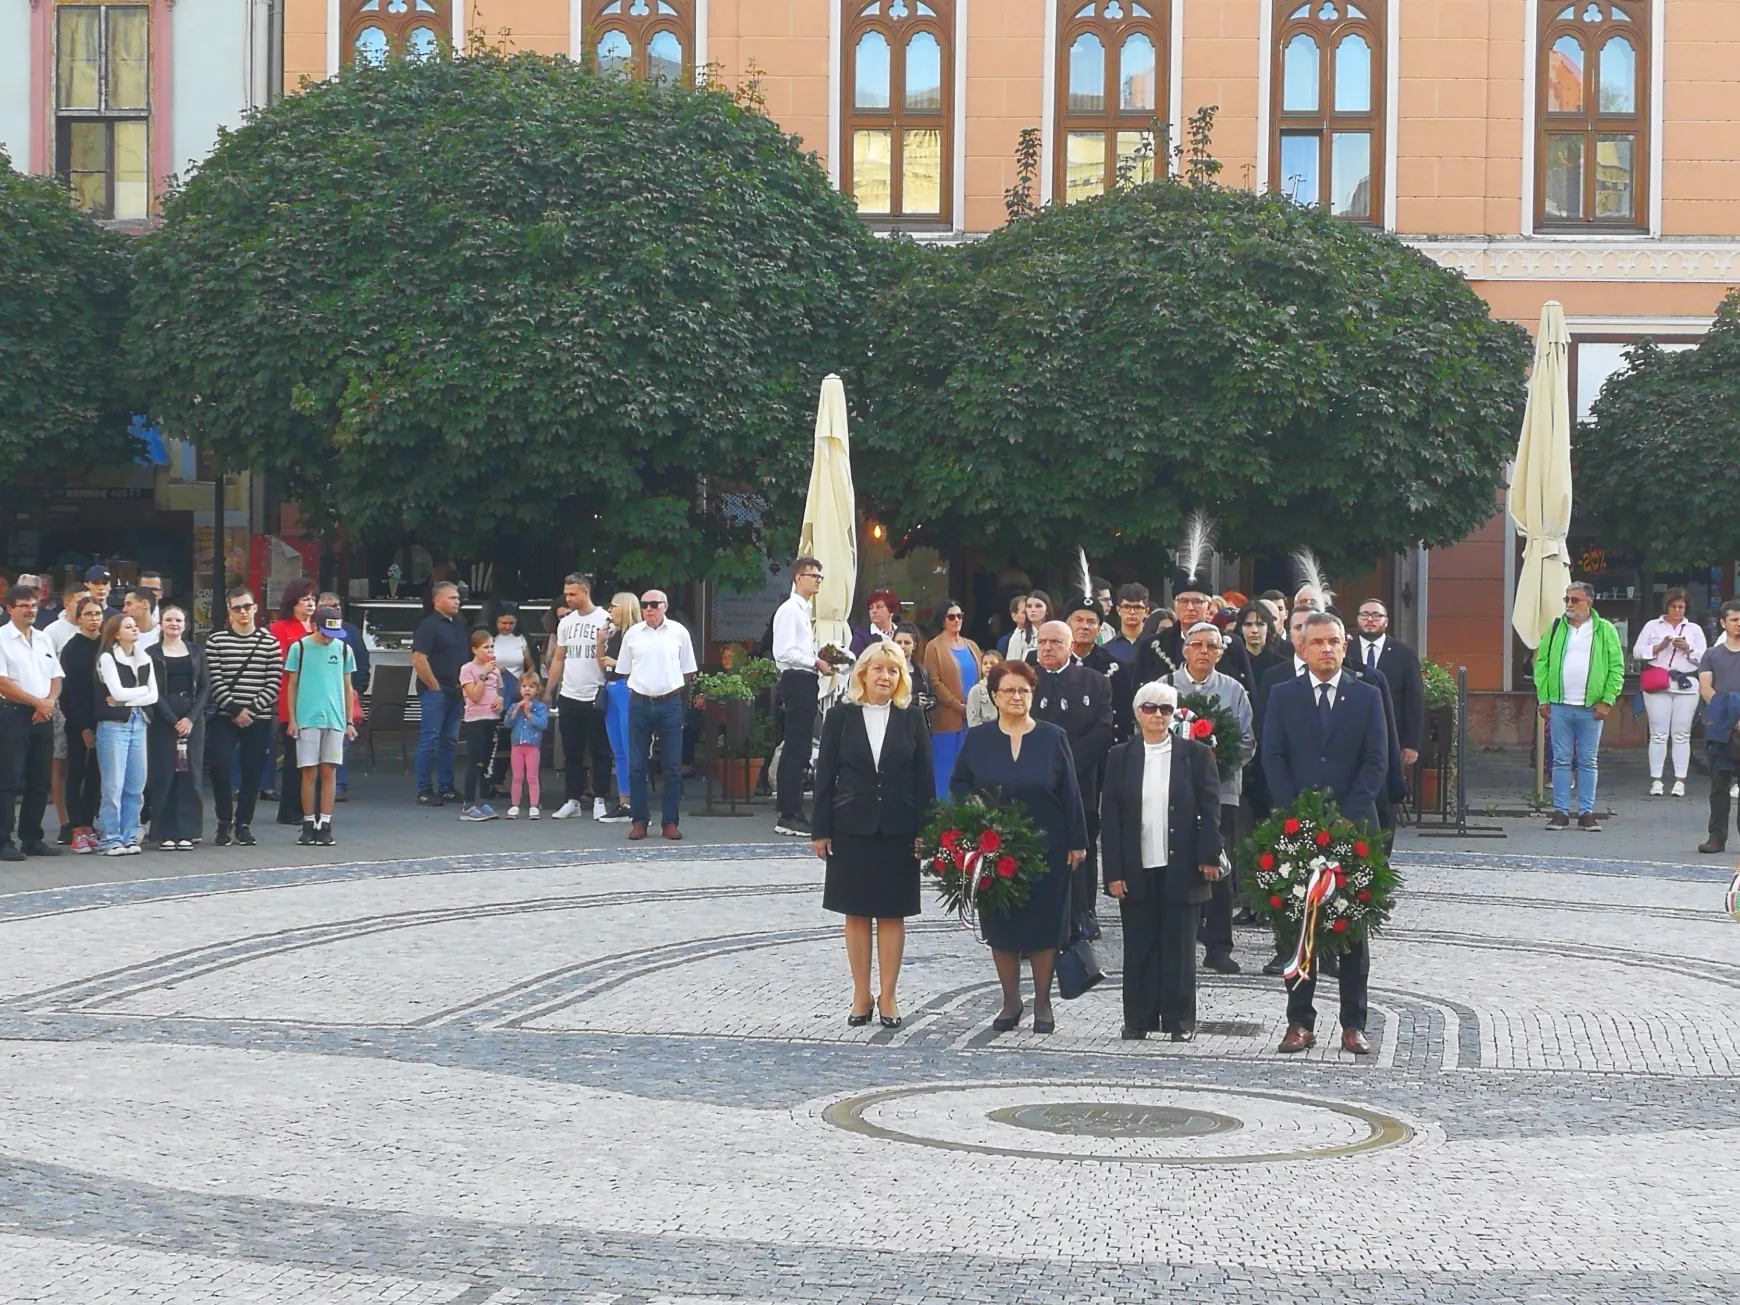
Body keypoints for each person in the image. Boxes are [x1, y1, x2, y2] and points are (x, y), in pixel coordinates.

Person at [1263, 612, 1389, 1056]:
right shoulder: (1282, 695)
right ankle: (1300, 1022)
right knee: (1300, 930)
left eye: (1334, 641)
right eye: (1317, 642)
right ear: (1302, 647)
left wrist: (1346, 819)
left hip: (1355, 831)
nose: (1326, 649)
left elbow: (1377, 761)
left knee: (1352, 930)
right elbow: (1273, 757)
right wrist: (1300, 815)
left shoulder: (1367, 695)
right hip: (1298, 828)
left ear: (1345, 645)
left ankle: (1354, 1024)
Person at [950, 659, 1087, 1036]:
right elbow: (959, 784)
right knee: (1002, 927)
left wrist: (1077, 841)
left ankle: (1043, 1002)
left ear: (1033, 695)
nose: (1016, 696)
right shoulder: (978, 739)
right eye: (1008, 690)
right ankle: (1011, 1001)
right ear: (994, 696)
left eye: (1023, 690)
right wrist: (972, 809)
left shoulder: (1052, 736)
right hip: (995, 849)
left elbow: (1070, 791)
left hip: (1047, 845)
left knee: (1045, 928)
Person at [812, 642, 935, 1029]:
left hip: (899, 827)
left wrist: (926, 829)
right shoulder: (841, 717)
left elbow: (925, 777)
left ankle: (889, 995)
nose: (885, 677)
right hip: (852, 825)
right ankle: (861, 994)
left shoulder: (912, 717)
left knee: (893, 912)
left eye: (893, 671)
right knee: (857, 912)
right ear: (863, 673)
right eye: (879, 669)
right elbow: (824, 777)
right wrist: (820, 829)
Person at [1102, 681, 1223, 1041]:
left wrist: (1209, 855)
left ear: (1174, 715)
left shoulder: (1196, 754)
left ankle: (1179, 1021)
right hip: (1136, 865)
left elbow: (1211, 809)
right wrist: (1114, 871)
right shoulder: (1119, 756)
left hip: (1184, 864)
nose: (1157, 715)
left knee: (1181, 948)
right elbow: (1110, 816)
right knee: (1139, 945)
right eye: (1150, 708)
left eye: (1166, 709)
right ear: (1138, 712)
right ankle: (1137, 1019)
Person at [1169, 621, 1255, 975]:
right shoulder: (1164, 687)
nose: (1204, 651)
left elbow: (1247, 740)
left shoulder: (1234, 690)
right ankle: (1178, 939)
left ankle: (1219, 946)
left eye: (1212, 646)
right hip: (1171, 792)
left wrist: (1217, 767)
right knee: (1175, 861)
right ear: (1185, 648)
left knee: (1218, 863)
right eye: (1197, 644)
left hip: (1222, 791)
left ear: (1221, 652)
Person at [1030, 620, 1115, 941]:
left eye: (1054, 642)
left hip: (1081, 779)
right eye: (1042, 642)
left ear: (1069, 646)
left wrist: (1065, 766)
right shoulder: (1023, 679)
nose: (1047, 648)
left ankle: (1084, 912)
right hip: (1034, 780)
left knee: (1083, 848)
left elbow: (1103, 731)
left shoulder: (1094, 682)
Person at [1534, 582, 1624, 832]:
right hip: (1560, 705)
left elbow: (1617, 667)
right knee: (1561, 760)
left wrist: (1607, 700)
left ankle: (1586, 812)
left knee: (1587, 760)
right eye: (1567, 600)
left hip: (1591, 707)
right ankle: (1560, 812)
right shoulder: (1555, 628)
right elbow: (1541, 665)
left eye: (1575, 600)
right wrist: (1543, 698)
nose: (1569, 605)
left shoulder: (1604, 629)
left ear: (1589, 602)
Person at [205, 587, 281, 848]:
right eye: (237, 607)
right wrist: (236, 710)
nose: (243, 612)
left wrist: (253, 709)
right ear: (229, 610)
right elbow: (214, 680)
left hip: (258, 717)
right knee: (219, 766)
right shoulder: (216, 641)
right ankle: (223, 821)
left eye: (247, 606)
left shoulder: (269, 641)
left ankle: (244, 824)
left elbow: (274, 680)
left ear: (255, 608)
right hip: (225, 715)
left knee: (253, 772)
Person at [618, 588, 697, 840]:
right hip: (639, 701)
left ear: (664, 606)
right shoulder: (632, 634)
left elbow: (688, 670)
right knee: (637, 765)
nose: (648, 609)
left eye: (654, 604)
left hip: (670, 701)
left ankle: (670, 822)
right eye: (644, 605)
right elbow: (625, 670)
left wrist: (669, 687)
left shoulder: (679, 632)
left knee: (672, 766)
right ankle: (639, 820)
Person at [284, 603, 359, 846]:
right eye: (326, 632)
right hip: (307, 717)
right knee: (308, 772)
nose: (329, 638)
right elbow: (291, 684)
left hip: (335, 718)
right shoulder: (300, 648)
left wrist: (348, 720)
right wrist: (292, 719)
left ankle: (324, 822)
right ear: (316, 626)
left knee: (329, 771)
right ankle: (308, 822)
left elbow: (347, 686)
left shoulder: (344, 649)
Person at [0, 584, 63, 861]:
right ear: (9, 608)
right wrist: (37, 702)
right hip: (12, 714)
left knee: (39, 780)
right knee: (9, 780)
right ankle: (3, 840)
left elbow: (56, 677)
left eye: (33, 605)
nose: (30, 610)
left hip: (43, 715)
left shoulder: (43, 639)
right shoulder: (1, 639)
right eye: (24, 605)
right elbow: (3, 683)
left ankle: (32, 837)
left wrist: (47, 702)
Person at [544, 574, 614, 820]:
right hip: (569, 693)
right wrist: (548, 691)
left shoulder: (605, 619)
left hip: (596, 692)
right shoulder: (565, 623)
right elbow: (559, 659)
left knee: (600, 751)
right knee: (571, 751)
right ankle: (572, 799)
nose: (569, 598)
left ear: (586, 591)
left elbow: (611, 657)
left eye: (573, 594)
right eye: (567, 594)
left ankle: (600, 798)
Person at [772, 557, 831, 837]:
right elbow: (783, 652)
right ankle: (789, 813)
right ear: (798, 578)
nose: (818, 580)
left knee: (802, 746)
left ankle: (791, 810)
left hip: (804, 678)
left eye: (820, 576)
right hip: (796, 678)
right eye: (813, 575)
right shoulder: (790, 611)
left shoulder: (802, 611)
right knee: (796, 747)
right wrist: (813, 661)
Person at [144, 605, 208, 850]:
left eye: (179, 620)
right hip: (163, 719)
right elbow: (152, 691)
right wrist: (172, 719)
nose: (174, 624)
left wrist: (190, 719)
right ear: (161, 624)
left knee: (190, 774)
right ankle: (164, 831)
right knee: (164, 774)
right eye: (169, 620)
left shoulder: (196, 651)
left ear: (185, 624)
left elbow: (205, 687)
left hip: (192, 719)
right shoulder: (151, 653)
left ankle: (188, 831)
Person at [93, 613, 156, 856]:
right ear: (117, 633)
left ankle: (130, 836)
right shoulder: (107, 657)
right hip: (113, 725)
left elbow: (154, 695)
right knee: (113, 785)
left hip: (138, 721)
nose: (134, 629)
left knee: (136, 783)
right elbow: (116, 692)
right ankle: (110, 838)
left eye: (134, 625)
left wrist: (129, 698)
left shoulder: (144, 657)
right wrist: (139, 692)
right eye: (128, 626)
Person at [1634, 588, 1706, 797]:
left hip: (1685, 684)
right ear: (1666, 606)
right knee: (1658, 734)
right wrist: (1659, 646)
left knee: (1682, 735)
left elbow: (1703, 658)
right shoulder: (1652, 626)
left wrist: (1688, 648)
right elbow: (1638, 652)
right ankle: (1656, 781)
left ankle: (1679, 781)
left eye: (1681, 607)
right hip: (1658, 683)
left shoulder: (1694, 629)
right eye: (1673, 606)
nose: (1677, 610)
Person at [1348, 599, 1425, 776]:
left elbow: (1414, 700)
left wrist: (1412, 744)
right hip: (1350, 734)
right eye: (1364, 614)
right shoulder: (1344, 650)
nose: (1370, 619)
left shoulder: (1404, 654)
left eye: (1376, 615)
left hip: (1390, 735)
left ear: (1386, 621)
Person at [411, 580, 467, 807]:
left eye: (458, 598)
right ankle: (424, 789)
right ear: (437, 600)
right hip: (437, 691)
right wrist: (434, 686)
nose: (458, 601)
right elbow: (418, 658)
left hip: (456, 690)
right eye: (452, 598)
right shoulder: (429, 625)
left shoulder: (458, 625)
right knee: (430, 739)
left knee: (449, 741)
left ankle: (446, 787)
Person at [58, 598, 105, 853]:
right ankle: (76, 829)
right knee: (76, 773)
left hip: (104, 721)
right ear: (79, 618)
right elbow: (68, 694)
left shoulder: (107, 645)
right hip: (78, 722)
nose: (93, 618)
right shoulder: (71, 648)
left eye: (97, 613)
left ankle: (89, 825)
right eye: (88, 614)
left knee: (96, 776)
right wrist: (84, 727)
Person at [921, 600, 982, 797]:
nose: (956, 620)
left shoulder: (971, 645)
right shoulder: (934, 647)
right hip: (946, 721)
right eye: (951, 616)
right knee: (945, 773)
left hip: (972, 721)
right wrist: (959, 706)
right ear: (942, 619)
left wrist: (975, 708)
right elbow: (934, 681)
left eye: (959, 616)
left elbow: (981, 680)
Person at [269, 579, 318, 823]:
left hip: (317, 696)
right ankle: (291, 809)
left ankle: (312, 807)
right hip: (291, 695)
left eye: (312, 599)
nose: (310, 604)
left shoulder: (318, 628)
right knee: (294, 756)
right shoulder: (281, 627)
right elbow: (279, 662)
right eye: (304, 599)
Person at [317, 592, 371, 803]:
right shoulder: (313, 633)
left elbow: (362, 660)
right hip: (319, 694)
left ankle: (339, 784)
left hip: (344, 693)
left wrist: (359, 688)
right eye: (330, 606)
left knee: (341, 741)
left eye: (338, 605)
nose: (335, 609)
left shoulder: (351, 632)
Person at [1698, 600, 1740, 854]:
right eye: (1734, 619)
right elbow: (1706, 687)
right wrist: (1727, 716)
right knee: (1719, 786)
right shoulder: (1712, 655)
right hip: (1721, 728)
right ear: (1723, 623)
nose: (1739, 624)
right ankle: (1716, 837)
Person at [596, 591, 638, 823]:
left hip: (626, 688)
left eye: (613, 606)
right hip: (612, 688)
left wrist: (617, 663)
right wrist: (600, 643)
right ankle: (624, 802)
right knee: (618, 750)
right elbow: (602, 665)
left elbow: (640, 665)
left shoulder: (634, 634)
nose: (610, 611)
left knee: (629, 747)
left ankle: (634, 802)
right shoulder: (615, 633)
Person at [456, 629, 504, 822]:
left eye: (492, 646)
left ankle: (483, 801)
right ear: (475, 649)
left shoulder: (496, 670)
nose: (490, 651)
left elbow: (499, 691)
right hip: (475, 719)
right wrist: (483, 675)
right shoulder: (467, 669)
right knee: (475, 761)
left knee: (487, 762)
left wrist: (500, 700)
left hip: (492, 718)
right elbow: (474, 696)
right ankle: (468, 805)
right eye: (485, 647)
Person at [505, 670, 549, 819]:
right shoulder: (514, 706)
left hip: (532, 746)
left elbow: (542, 724)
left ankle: (533, 806)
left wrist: (529, 714)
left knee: (532, 777)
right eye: (524, 686)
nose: (527, 690)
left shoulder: (540, 708)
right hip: (517, 746)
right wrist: (516, 710)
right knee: (517, 777)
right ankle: (514, 805)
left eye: (531, 687)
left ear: (537, 690)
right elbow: (507, 723)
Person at [1105, 584, 1151, 671]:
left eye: (1137, 607)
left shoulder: (1155, 646)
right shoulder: (1106, 650)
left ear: (1146, 611)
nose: (1132, 612)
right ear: (1119, 610)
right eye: (1127, 607)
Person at [1237, 601, 1283, 684]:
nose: (1254, 630)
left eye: (1260, 624)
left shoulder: (1282, 665)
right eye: (1248, 624)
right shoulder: (1233, 665)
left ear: (1268, 628)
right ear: (1240, 628)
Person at [850, 588, 901, 655]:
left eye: (879, 607)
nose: (874, 611)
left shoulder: (901, 632)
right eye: (871, 608)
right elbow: (854, 661)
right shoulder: (861, 634)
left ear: (891, 611)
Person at [1005, 590, 1050, 664]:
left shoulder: (1059, 634)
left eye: (1038, 606)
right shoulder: (1019, 637)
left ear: (1047, 609)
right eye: (1029, 606)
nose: (1033, 610)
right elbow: (1012, 668)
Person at [965, 648, 1002, 727]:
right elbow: (973, 720)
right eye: (985, 663)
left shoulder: (1005, 688)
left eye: (992, 663)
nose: (988, 666)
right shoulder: (976, 690)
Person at [123, 587, 160, 651]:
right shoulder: (123, 634)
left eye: (129, 604)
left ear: (145, 604)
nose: (124, 609)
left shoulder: (163, 634)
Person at [996, 592, 1029, 656]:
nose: (1029, 615)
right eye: (1024, 612)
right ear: (1014, 616)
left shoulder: (1043, 636)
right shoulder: (1004, 642)